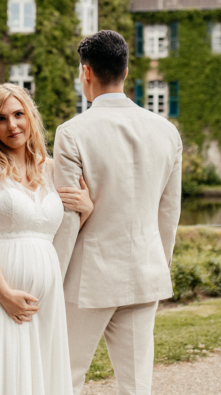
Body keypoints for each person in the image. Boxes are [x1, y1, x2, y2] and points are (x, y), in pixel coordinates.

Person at [53, 30, 183, 395]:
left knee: (65, 376)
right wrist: (159, 263)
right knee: (137, 385)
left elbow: (68, 217)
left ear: (86, 73)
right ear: (126, 71)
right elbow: (168, 212)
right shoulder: (167, 132)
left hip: (86, 280)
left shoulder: (72, 132)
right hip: (145, 273)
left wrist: (51, 276)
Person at [0, 83, 92, 395]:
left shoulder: (54, 170)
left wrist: (87, 209)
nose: (11, 125)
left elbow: (65, 229)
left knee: (40, 379)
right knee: (2, 379)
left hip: (45, 297)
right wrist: (3, 291)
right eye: (1, 118)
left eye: (18, 114)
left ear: (31, 117)